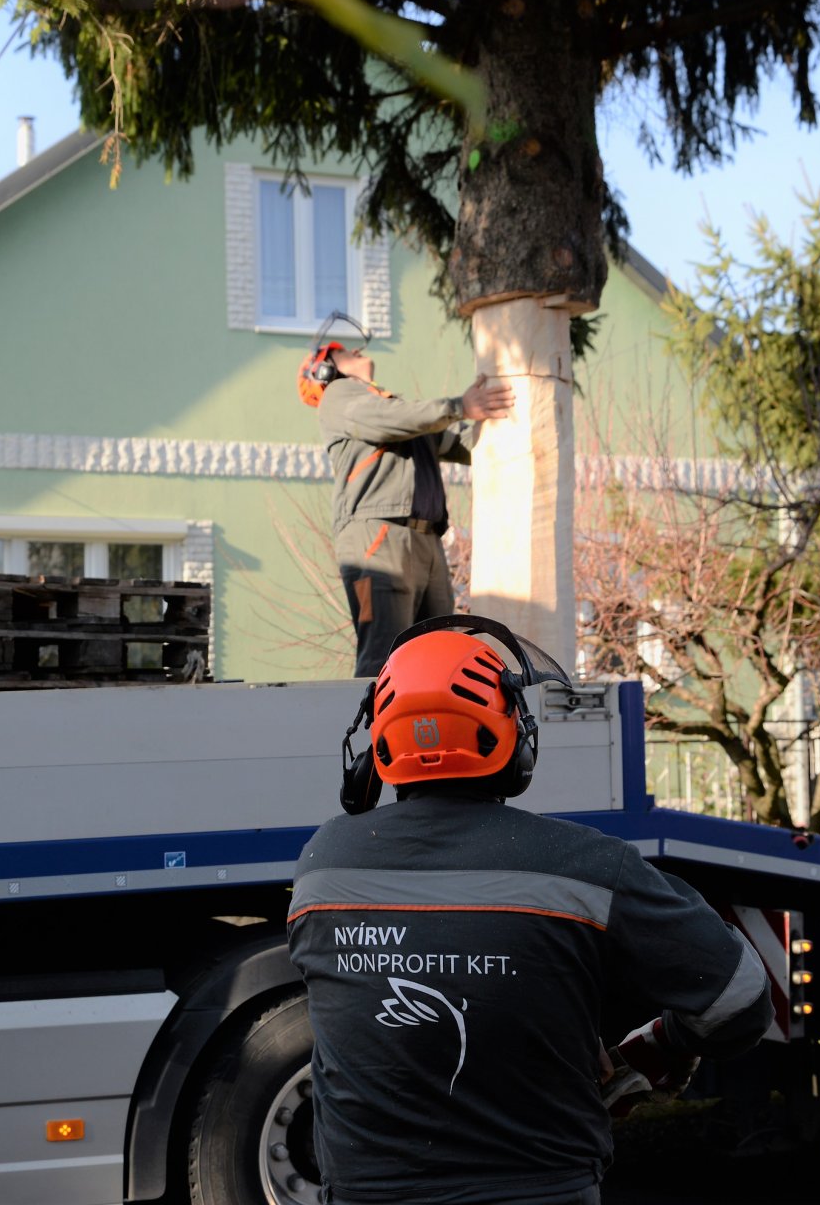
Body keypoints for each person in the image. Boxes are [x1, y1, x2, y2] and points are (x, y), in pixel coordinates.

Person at [287, 620, 773, 1204]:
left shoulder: (321, 866)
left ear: (380, 742)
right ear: (512, 735)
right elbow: (741, 998)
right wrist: (654, 1048)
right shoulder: (588, 867)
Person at [299, 339, 514, 676]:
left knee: (441, 657)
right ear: (324, 369)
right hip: (377, 537)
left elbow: (461, 443)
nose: (354, 350)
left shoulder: (399, 411)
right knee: (383, 655)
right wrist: (460, 405)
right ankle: (372, 730)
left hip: (426, 540)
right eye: (341, 351)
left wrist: (502, 421)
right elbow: (389, 419)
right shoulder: (338, 396)